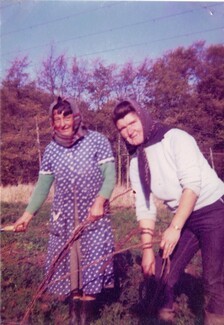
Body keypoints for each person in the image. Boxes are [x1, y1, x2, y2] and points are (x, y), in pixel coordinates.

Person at [113, 99, 224, 324]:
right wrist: (146, 250)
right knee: (163, 273)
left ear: (143, 117)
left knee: (213, 279)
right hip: (184, 216)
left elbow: (192, 186)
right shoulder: (136, 161)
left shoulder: (175, 138)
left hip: (213, 209)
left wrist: (175, 227)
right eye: (122, 128)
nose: (129, 131)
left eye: (132, 123)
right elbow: (144, 205)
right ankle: (165, 319)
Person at [14, 96, 116, 324]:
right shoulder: (51, 150)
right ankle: (74, 317)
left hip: (94, 217)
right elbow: (42, 186)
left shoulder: (97, 141)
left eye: (66, 116)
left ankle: (86, 317)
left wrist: (100, 201)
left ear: (76, 115)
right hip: (65, 218)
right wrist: (26, 216)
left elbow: (109, 176)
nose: (62, 123)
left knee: (93, 259)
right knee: (70, 264)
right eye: (56, 118)